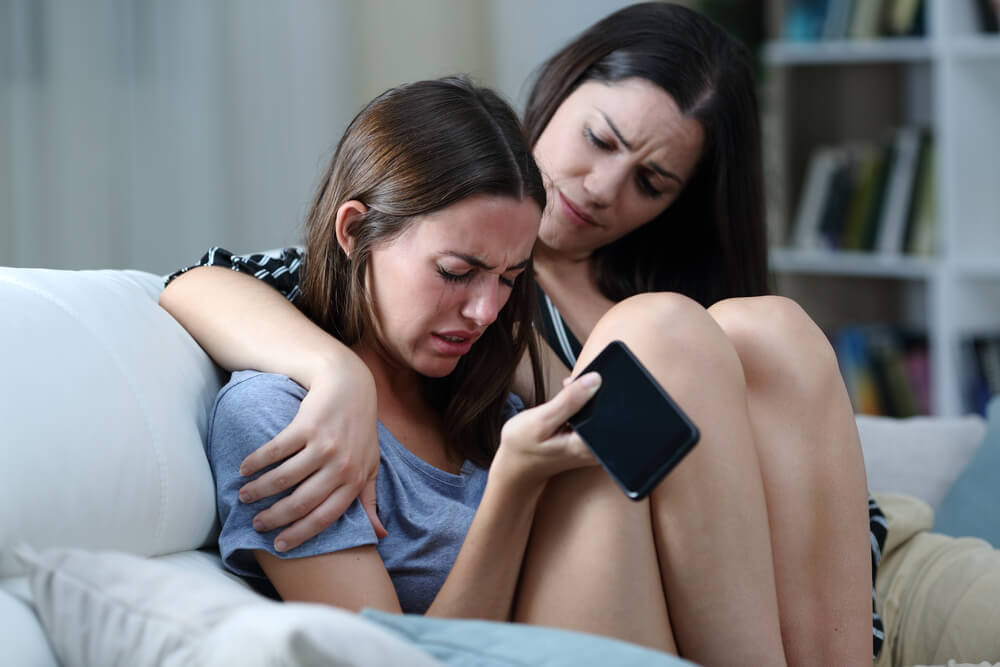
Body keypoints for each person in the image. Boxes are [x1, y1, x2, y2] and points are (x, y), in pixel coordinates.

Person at [162, 4, 877, 665]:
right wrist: (340, 375)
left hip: (677, 593)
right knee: (654, 333)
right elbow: (200, 281)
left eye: (510, 278)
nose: (483, 310)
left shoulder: (490, 363)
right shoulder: (283, 404)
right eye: (457, 271)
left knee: (764, 323)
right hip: (527, 625)